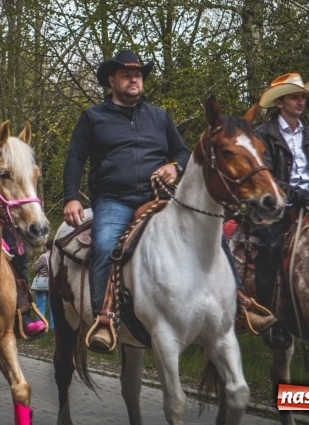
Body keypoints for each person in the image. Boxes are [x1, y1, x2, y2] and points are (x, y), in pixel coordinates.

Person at [63, 49, 191, 353]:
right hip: (114, 200)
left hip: (160, 197)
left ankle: (238, 300)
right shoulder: (93, 117)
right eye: (126, 74)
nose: (134, 79)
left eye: (138, 74)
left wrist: (175, 167)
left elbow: (183, 152)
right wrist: (70, 197)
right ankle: (104, 319)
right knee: (106, 244)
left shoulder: (159, 116)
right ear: (112, 80)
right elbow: (75, 158)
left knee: (208, 229)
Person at [253, 72, 309, 348]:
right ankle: (269, 318)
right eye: (295, 97)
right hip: (279, 207)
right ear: (280, 103)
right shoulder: (263, 135)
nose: (301, 101)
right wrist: (293, 193)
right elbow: (263, 176)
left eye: (302, 96)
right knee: (270, 246)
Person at [31, 240, 53, 330]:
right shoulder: (57, 256)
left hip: (41, 284)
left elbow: (35, 268)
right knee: (52, 307)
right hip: (52, 283)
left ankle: (41, 327)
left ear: (46, 247)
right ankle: (53, 328)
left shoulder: (43, 257)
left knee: (41, 306)